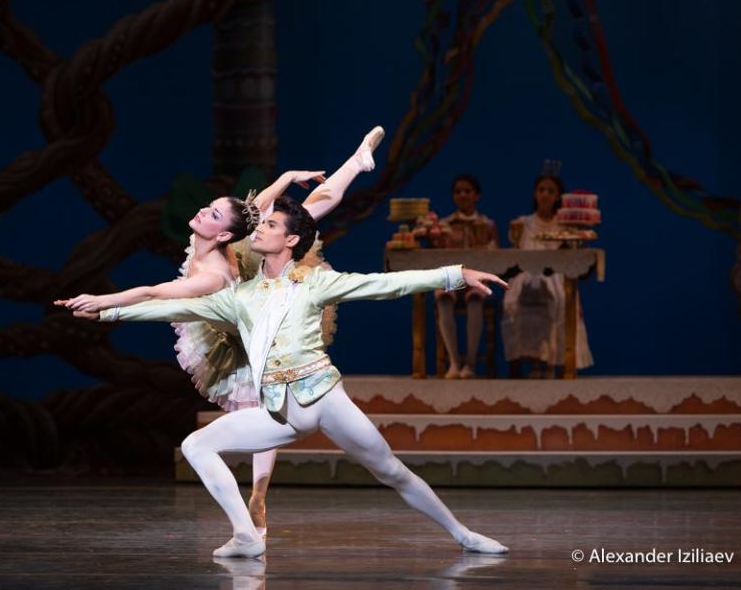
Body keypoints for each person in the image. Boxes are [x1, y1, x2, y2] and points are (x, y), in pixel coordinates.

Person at [70, 195, 510, 558]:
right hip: (282, 411)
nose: (259, 229)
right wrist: (108, 311)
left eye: (272, 226)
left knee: (390, 470)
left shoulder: (314, 283)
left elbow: (384, 284)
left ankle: (463, 535)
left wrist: (456, 274)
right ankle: (246, 536)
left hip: (324, 398)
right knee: (196, 445)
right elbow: (169, 305)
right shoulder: (240, 296)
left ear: (292, 239)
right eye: (261, 224)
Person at [55, 127, 386, 536]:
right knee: (256, 411)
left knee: (306, 215)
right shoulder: (223, 242)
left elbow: (155, 293)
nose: (202, 212)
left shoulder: (212, 275)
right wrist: (285, 176)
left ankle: (356, 160)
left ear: (225, 234)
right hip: (235, 323)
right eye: (209, 209)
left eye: (213, 214)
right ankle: (258, 497)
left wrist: (105, 301)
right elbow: (252, 207)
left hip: (255, 322)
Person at [501, 175, 593, 377]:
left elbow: (571, 261)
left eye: (551, 191)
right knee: (516, 302)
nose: (545, 194)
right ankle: (532, 361)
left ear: (558, 196)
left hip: (555, 278)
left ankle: (551, 362)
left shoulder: (566, 227)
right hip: (526, 275)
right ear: (535, 193)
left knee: (558, 299)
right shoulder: (521, 224)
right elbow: (515, 258)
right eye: (541, 189)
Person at [417, 174, 498, 379]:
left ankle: (470, 362)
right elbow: (438, 255)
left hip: (476, 278)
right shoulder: (444, 226)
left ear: (476, 195)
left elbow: (495, 253)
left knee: (475, 299)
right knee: (443, 298)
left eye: (467, 191)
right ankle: (454, 361)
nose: (463, 195)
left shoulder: (487, 224)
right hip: (452, 278)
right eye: (458, 191)